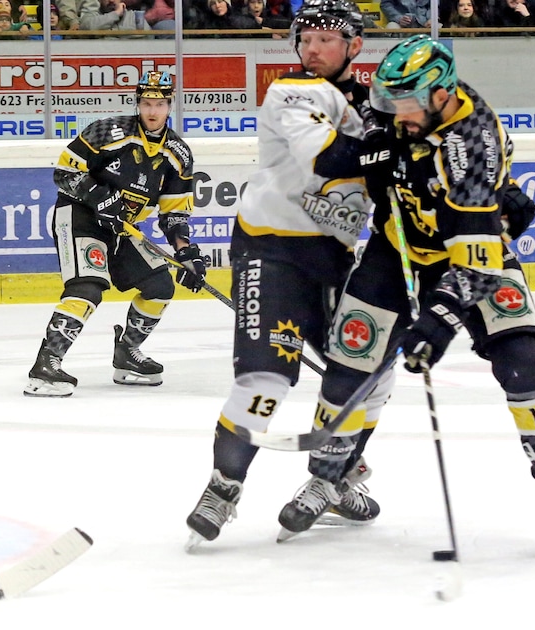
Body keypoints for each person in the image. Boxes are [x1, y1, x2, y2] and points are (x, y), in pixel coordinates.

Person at [291, 34, 535, 555]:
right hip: (398, 248)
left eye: (405, 105)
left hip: (471, 252)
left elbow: (476, 266)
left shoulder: (472, 147)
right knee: (350, 361)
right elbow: (358, 110)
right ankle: (330, 478)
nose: (397, 114)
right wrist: (373, 142)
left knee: (522, 361)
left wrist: (435, 325)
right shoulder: (405, 106)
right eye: (392, 103)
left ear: (440, 95)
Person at [184, 0, 389, 549]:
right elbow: (326, 157)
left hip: (334, 258)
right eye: (305, 39)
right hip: (271, 251)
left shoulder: (377, 103)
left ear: (354, 46)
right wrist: (389, 148)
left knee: (372, 372)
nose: (312, 49)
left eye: (326, 39)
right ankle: (223, 489)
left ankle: (335, 477)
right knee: (265, 382)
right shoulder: (292, 91)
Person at [23, 70, 201, 398]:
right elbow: (64, 173)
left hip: (120, 227)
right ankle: (46, 363)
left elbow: (174, 214)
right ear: (137, 103)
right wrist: (99, 195)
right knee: (88, 288)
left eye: (160, 104)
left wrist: (185, 252)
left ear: (170, 105)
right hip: (79, 216)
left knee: (160, 286)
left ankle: (127, 353)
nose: (152, 111)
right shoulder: (107, 131)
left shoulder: (179, 154)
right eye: (146, 103)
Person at [80, 0, 152, 35]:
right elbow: (86, 28)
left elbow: (148, 37)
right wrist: (116, 13)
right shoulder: (93, 16)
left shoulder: (132, 16)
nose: (111, 0)